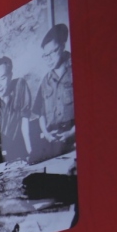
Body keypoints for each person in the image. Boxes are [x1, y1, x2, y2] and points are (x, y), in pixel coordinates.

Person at [33, 23, 74, 161]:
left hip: (74, 137)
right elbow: (40, 114)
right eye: (45, 55)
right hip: (52, 140)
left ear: (62, 46)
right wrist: (47, 134)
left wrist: (70, 133)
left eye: (53, 52)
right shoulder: (45, 82)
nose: (49, 58)